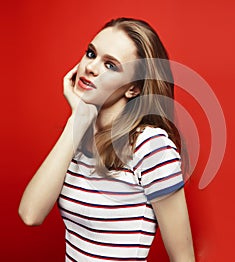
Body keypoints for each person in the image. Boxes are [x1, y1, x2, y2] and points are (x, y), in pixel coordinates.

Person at [19, 17, 195, 262]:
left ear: (133, 88)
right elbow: (30, 214)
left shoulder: (150, 145)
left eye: (110, 65)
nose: (91, 68)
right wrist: (76, 121)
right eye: (91, 54)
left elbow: (183, 257)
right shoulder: (78, 138)